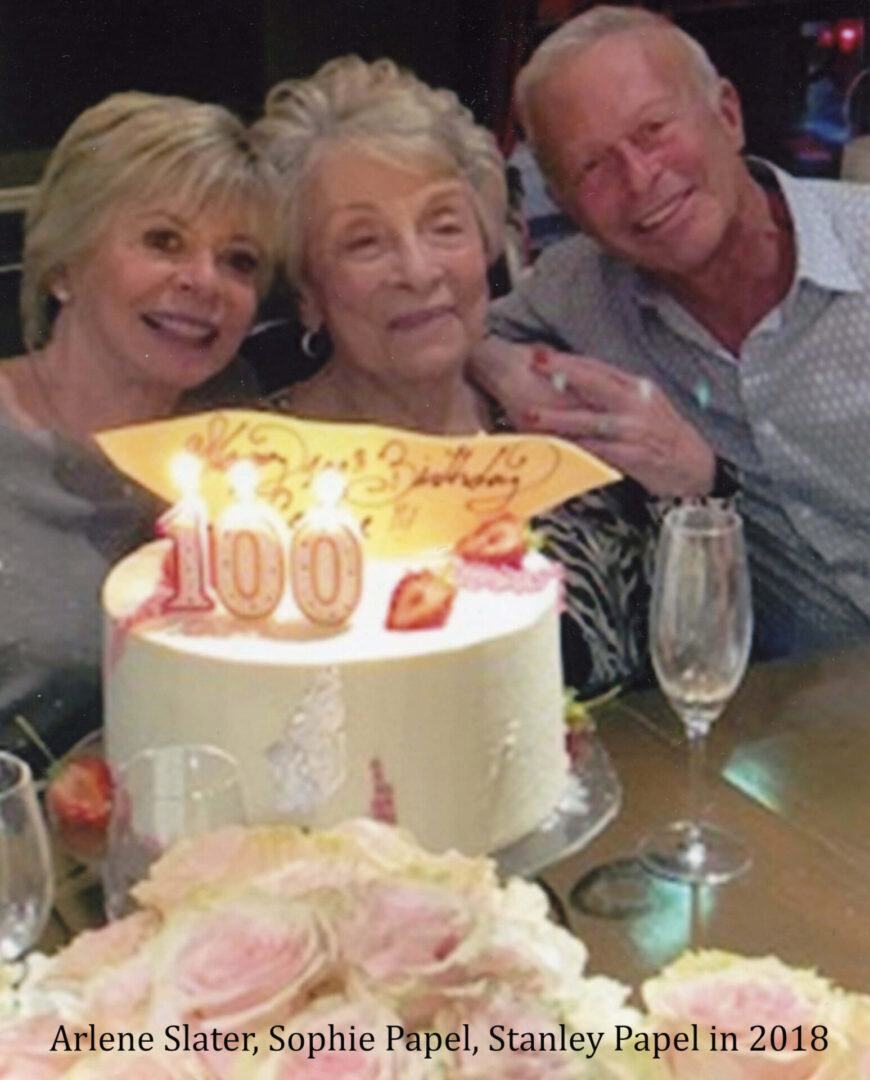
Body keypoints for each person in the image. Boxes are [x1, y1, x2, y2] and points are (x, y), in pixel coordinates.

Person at [471, 4, 870, 660]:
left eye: (653, 129)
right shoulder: (577, 293)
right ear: (566, 206)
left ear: (728, 115)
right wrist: (501, 368)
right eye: (592, 168)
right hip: (789, 731)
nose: (639, 179)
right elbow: (450, 331)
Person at [254, 56, 651, 692]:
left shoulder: (570, 437)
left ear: (487, 245)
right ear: (308, 292)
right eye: (364, 242)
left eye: (444, 226)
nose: (417, 271)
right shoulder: (249, 485)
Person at [0, 91, 278, 765]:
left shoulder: (241, 431)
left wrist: (497, 357)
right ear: (64, 265)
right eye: (164, 241)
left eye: (239, 259)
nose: (205, 281)